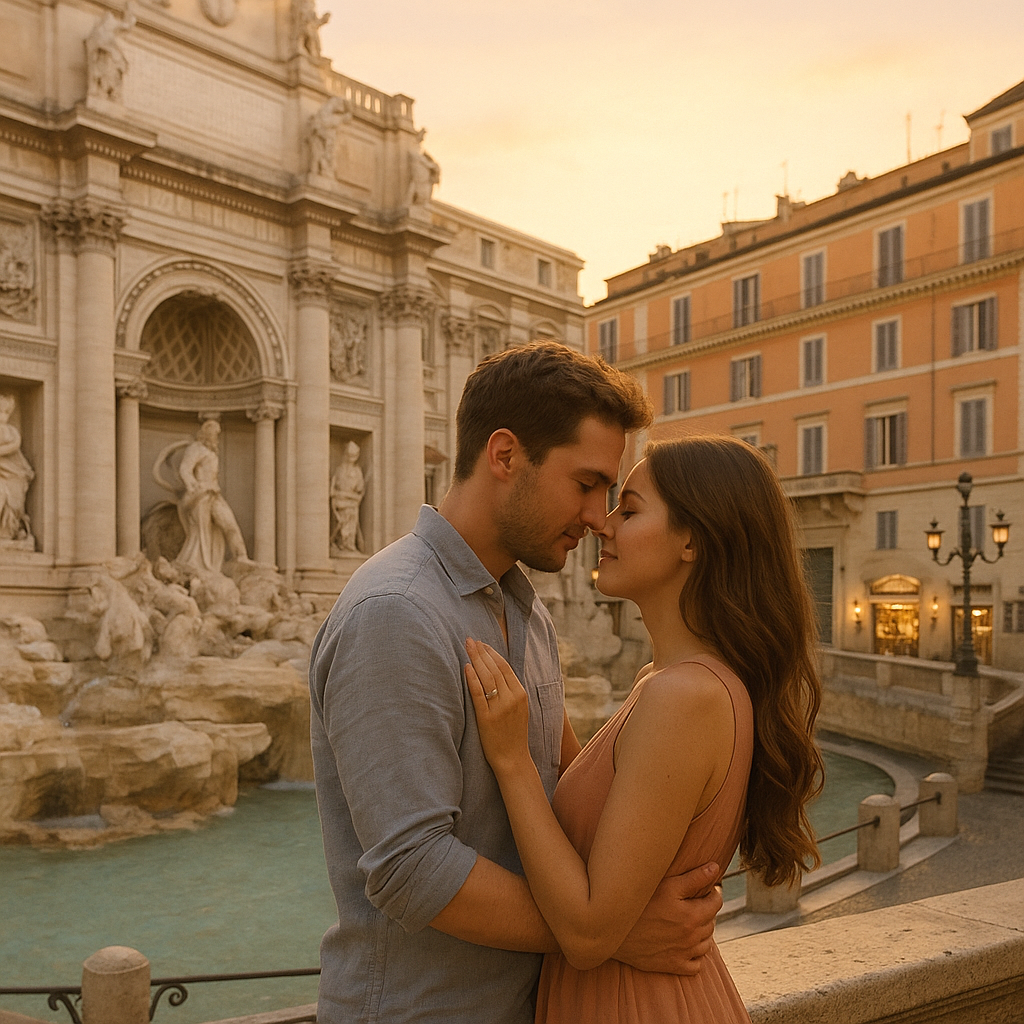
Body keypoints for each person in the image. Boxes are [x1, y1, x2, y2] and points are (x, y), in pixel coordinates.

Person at [309, 343, 725, 1024]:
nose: (598, 518)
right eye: (586, 483)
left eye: (610, 494)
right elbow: (411, 871)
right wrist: (605, 936)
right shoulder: (397, 612)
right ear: (504, 457)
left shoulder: (523, 612)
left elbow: (559, 791)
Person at [465, 434, 825, 1023]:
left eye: (628, 510)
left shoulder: (682, 697)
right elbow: (607, 826)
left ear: (693, 541)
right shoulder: (670, 680)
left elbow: (586, 932)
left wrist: (512, 759)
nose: (602, 525)